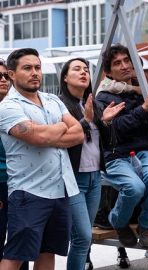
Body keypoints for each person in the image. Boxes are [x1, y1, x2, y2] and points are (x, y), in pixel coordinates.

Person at [0, 48, 84, 270]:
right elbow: (39, 136)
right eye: (27, 68)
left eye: (37, 67)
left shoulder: (52, 100)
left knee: (48, 252)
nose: (35, 72)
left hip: (61, 189)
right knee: (15, 255)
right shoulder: (8, 107)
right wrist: (58, 127)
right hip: (29, 192)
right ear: (11, 74)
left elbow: (79, 133)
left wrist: (46, 135)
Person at [96, 44, 148, 248]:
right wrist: (145, 107)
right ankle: (118, 221)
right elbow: (118, 129)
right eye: (117, 63)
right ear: (108, 72)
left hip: (145, 151)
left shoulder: (146, 89)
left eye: (127, 60)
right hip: (116, 154)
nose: (124, 66)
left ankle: (147, 225)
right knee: (134, 187)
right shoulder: (103, 96)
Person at [58, 57, 125, 270]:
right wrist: (85, 120)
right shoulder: (58, 105)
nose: (83, 72)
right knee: (82, 236)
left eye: (86, 69)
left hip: (95, 176)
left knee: (83, 240)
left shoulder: (94, 103)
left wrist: (106, 122)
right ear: (65, 77)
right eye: (77, 69)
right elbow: (63, 138)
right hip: (73, 178)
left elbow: (108, 143)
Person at [0, 60, 28, 270]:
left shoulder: (18, 107)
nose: (3, 80)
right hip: (1, 183)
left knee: (22, 243)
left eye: (5, 76)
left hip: (20, 183)